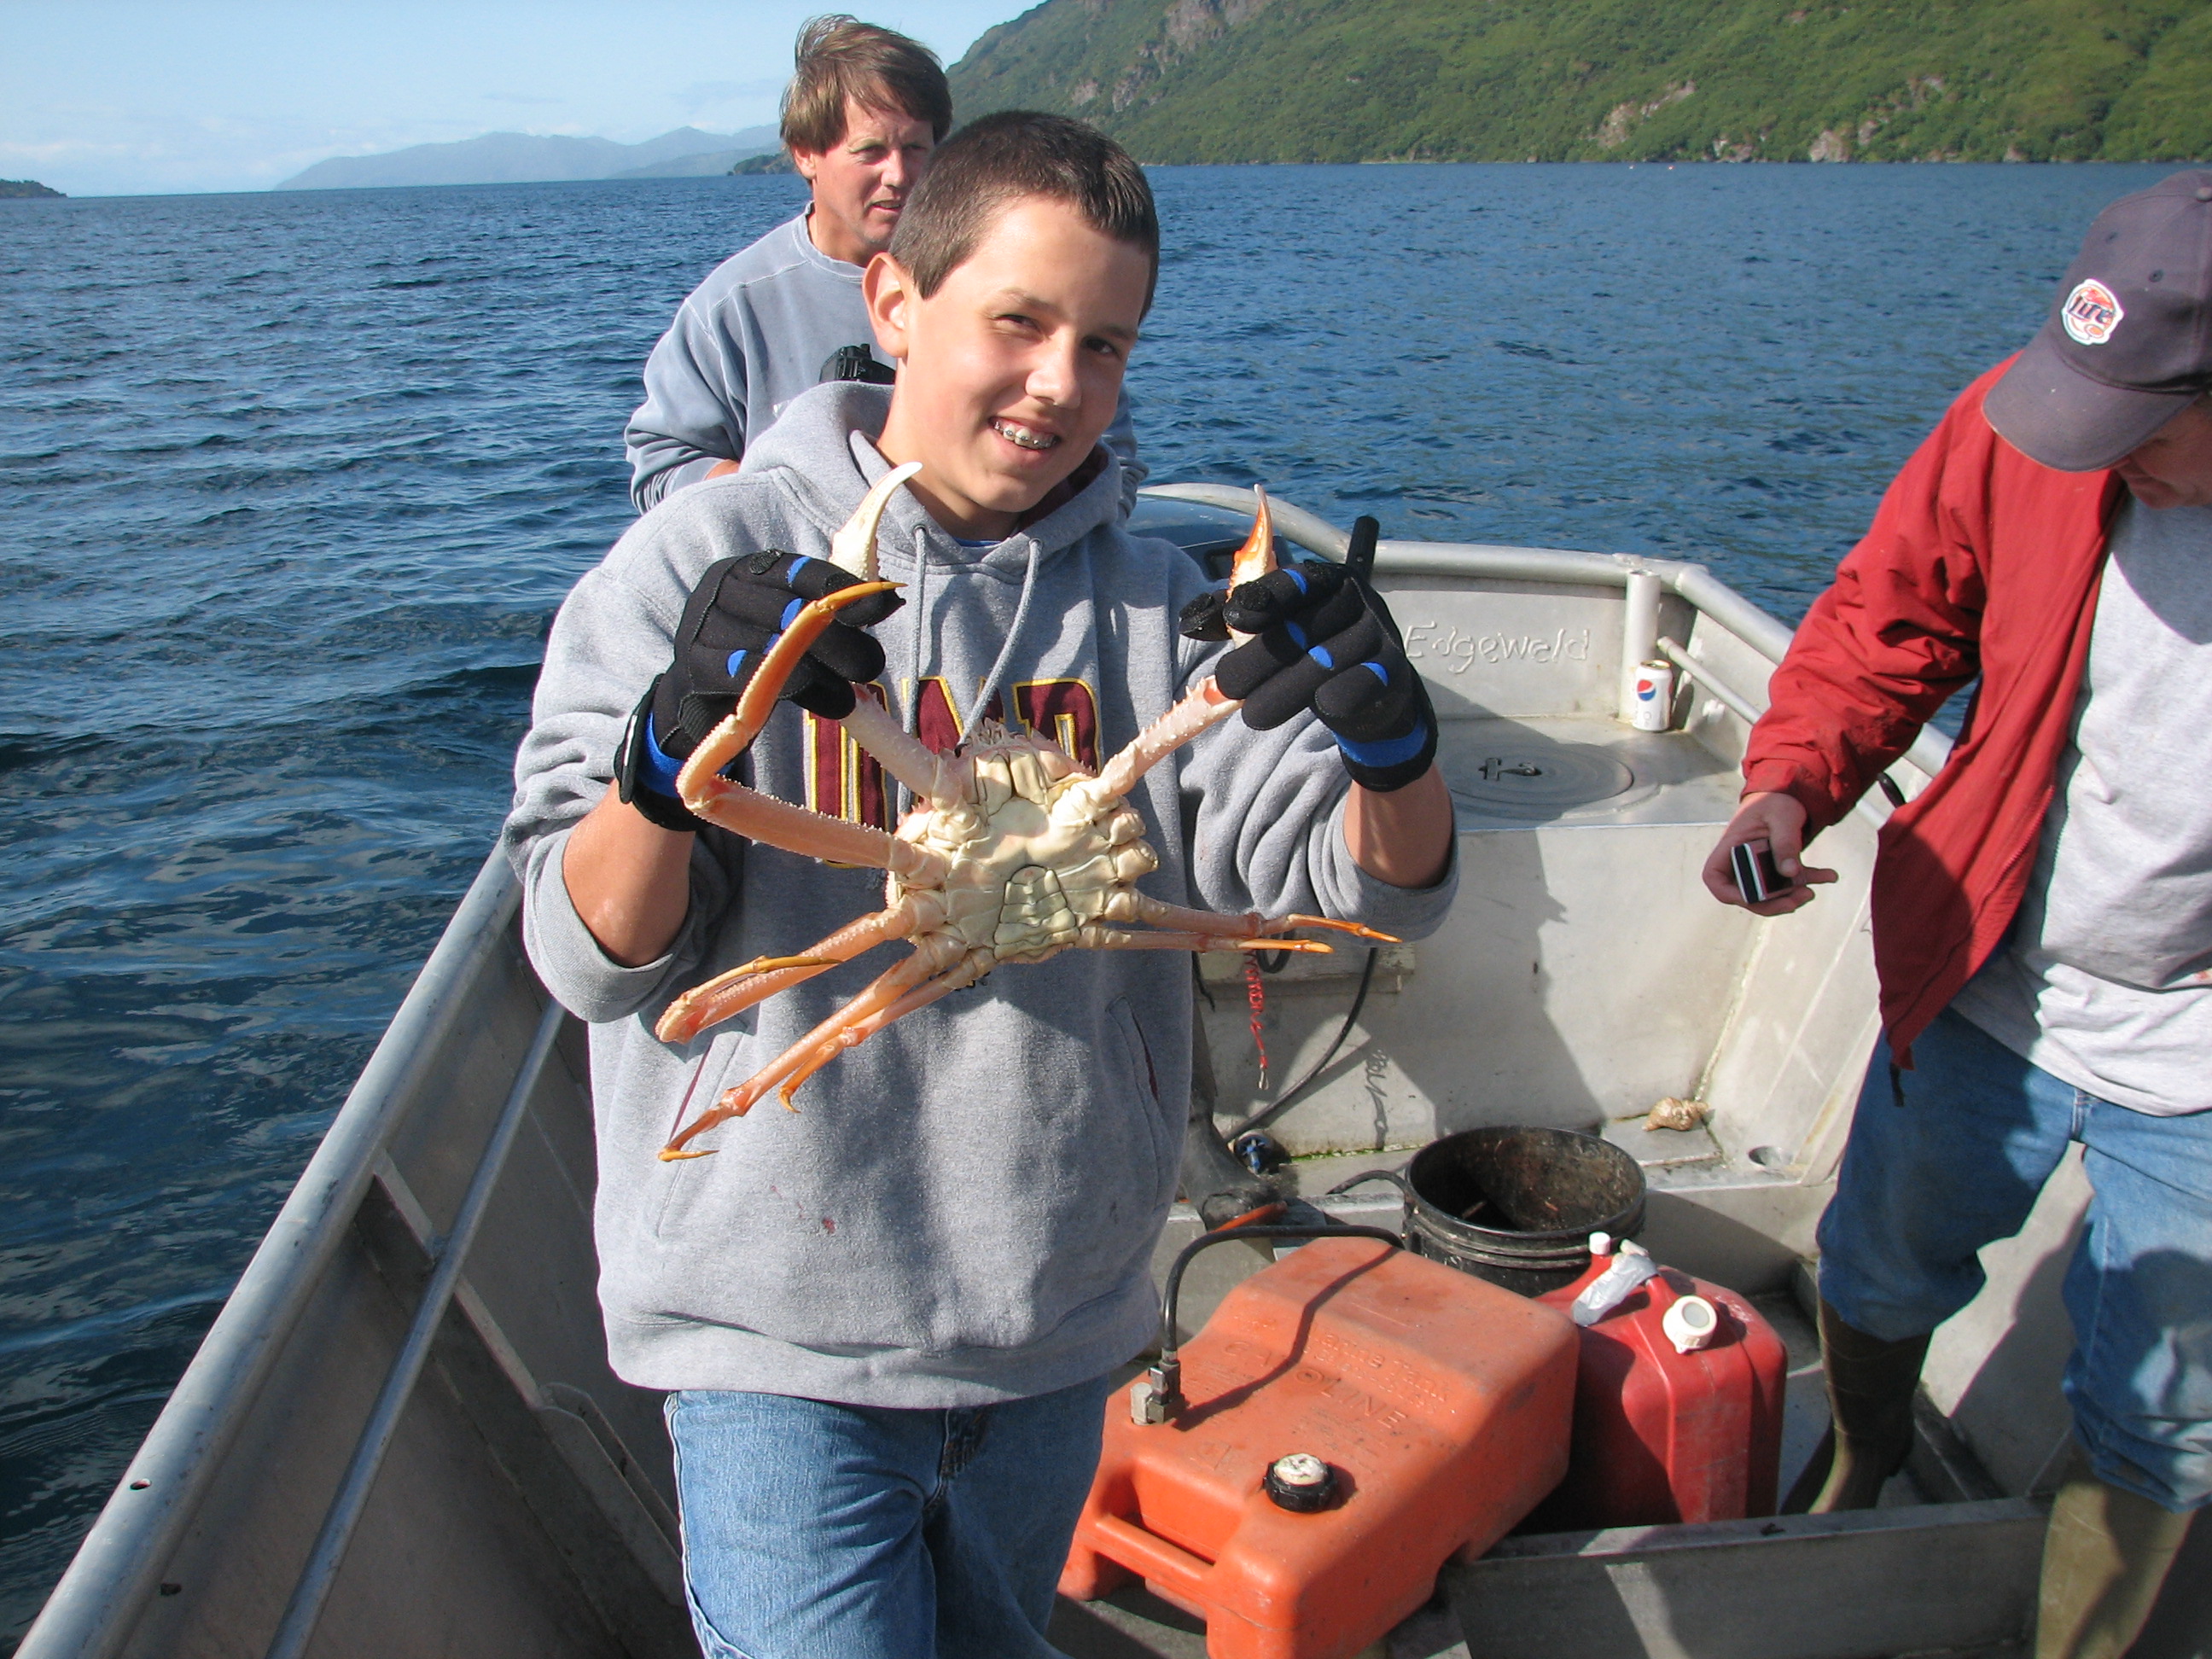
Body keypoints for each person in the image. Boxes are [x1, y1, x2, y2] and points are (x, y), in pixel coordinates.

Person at [507, 111, 1456, 1658]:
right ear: (893, 301)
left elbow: (1358, 895)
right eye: (1019, 322)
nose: (1061, 383)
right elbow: (583, 954)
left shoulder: (1158, 611)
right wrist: (666, 758)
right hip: (774, 1333)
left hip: (1055, 1318)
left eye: (1106, 344)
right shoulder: (697, 568)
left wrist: (1396, 752)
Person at [1703, 171, 2212, 1659]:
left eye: (2145, 429)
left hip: (2196, 1063)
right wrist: (1785, 788)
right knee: (1874, 1263)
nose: (2103, 452)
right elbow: (1889, 620)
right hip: (1985, 970)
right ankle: (1861, 1461)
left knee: (2167, 1414)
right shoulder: (2028, 424)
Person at [622, 15, 1145, 515]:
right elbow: (666, 464)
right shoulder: (731, 308)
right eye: (870, 150)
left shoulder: (1006, 284)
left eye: (916, 147)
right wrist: (786, 515)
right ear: (805, 153)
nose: (897, 174)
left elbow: (1111, 466)